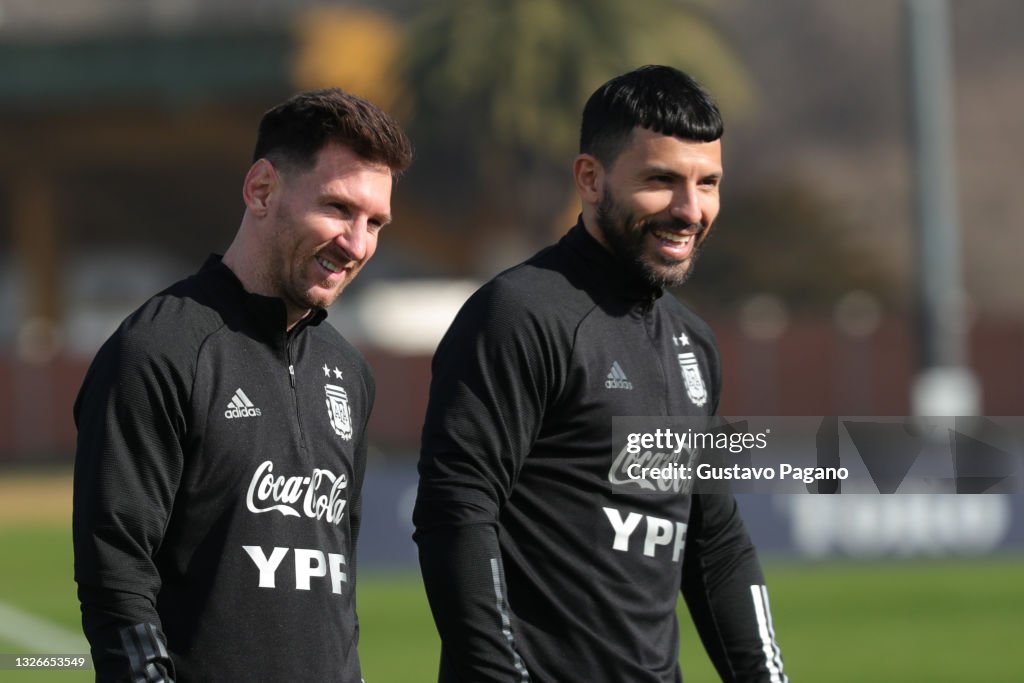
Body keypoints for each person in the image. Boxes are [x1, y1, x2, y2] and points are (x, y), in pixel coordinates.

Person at [414, 65, 787, 682]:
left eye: (708, 183)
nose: (690, 210)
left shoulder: (694, 342)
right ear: (590, 179)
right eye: (661, 181)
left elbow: (714, 542)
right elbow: (457, 509)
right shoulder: (519, 313)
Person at [73, 88, 412, 682]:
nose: (357, 244)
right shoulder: (157, 350)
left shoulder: (349, 372)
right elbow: (117, 582)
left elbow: (338, 594)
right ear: (261, 190)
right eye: (337, 209)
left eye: (374, 222)